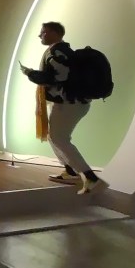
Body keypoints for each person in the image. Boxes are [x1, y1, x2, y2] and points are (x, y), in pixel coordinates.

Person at [20, 21, 107, 195]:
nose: (40, 35)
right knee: (54, 137)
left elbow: (59, 77)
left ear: (54, 33)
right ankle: (70, 171)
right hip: (71, 102)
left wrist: (31, 73)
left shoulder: (57, 52)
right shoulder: (61, 51)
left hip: (69, 103)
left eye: (43, 32)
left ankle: (90, 177)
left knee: (59, 138)